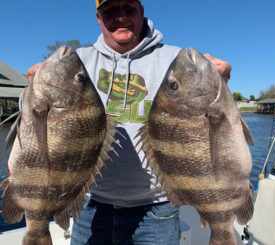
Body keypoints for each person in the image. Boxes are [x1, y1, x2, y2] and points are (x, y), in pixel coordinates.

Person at [27, 0, 232, 244]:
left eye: (128, 8)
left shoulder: (175, 60)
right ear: (99, 18)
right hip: (91, 206)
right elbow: (33, 124)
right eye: (110, 11)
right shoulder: (77, 63)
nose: (120, 16)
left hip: (158, 210)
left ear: (142, 12)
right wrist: (32, 91)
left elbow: (211, 121)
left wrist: (222, 82)